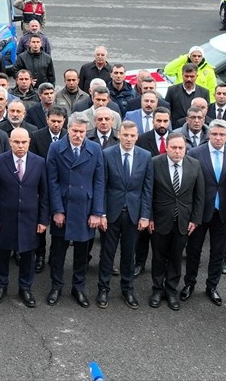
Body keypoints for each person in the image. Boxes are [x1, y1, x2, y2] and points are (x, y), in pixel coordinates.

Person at [45, 114, 104, 308]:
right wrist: (57, 210)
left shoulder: (95, 149)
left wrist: (97, 212)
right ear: (68, 129)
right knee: (58, 251)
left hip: (85, 208)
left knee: (81, 252)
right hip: (63, 206)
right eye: (75, 131)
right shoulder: (55, 148)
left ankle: (78, 287)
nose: (78, 135)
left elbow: (99, 181)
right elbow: (51, 181)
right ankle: (56, 286)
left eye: (82, 132)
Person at [0, 126, 48, 308]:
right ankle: (1, 286)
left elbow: (44, 194)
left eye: (24, 142)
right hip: (5, 218)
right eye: (16, 142)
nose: (20, 146)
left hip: (30, 219)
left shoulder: (39, 162)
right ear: (10, 142)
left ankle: (25, 288)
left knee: (28, 256)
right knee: (2, 254)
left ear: (29, 142)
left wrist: (43, 219)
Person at [182, 120, 226, 306]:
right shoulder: (195, 152)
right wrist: (191, 214)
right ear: (209, 134)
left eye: (221, 135)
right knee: (194, 250)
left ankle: (212, 286)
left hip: (223, 213)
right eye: (214, 134)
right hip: (200, 212)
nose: (217, 138)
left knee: (218, 252)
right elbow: (189, 185)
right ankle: (189, 284)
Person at [96, 120, 152, 309]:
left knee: (129, 254)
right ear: (119, 135)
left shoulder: (145, 156)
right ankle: (103, 289)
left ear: (137, 136)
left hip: (134, 214)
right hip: (111, 213)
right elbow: (101, 186)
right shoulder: (107, 154)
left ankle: (127, 289)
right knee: (107, 253)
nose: (128, 139)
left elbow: (147, 189)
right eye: (125, 135)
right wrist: (101, 213)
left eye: (132, 136)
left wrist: (145, 216)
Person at [147, 133, 204, 311]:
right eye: (173, 147)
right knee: (158, 256)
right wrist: (149, 217)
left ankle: (171, 290)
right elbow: (148, 192)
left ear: (185, 148)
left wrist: (195, 219)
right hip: (159, 220)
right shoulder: (155, 163)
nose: (177, 151)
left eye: (181, 148)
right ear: (167, 147)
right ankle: (157, 289)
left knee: (176, 257)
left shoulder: (194, 165)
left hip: (183, 220)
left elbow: (199, 195)